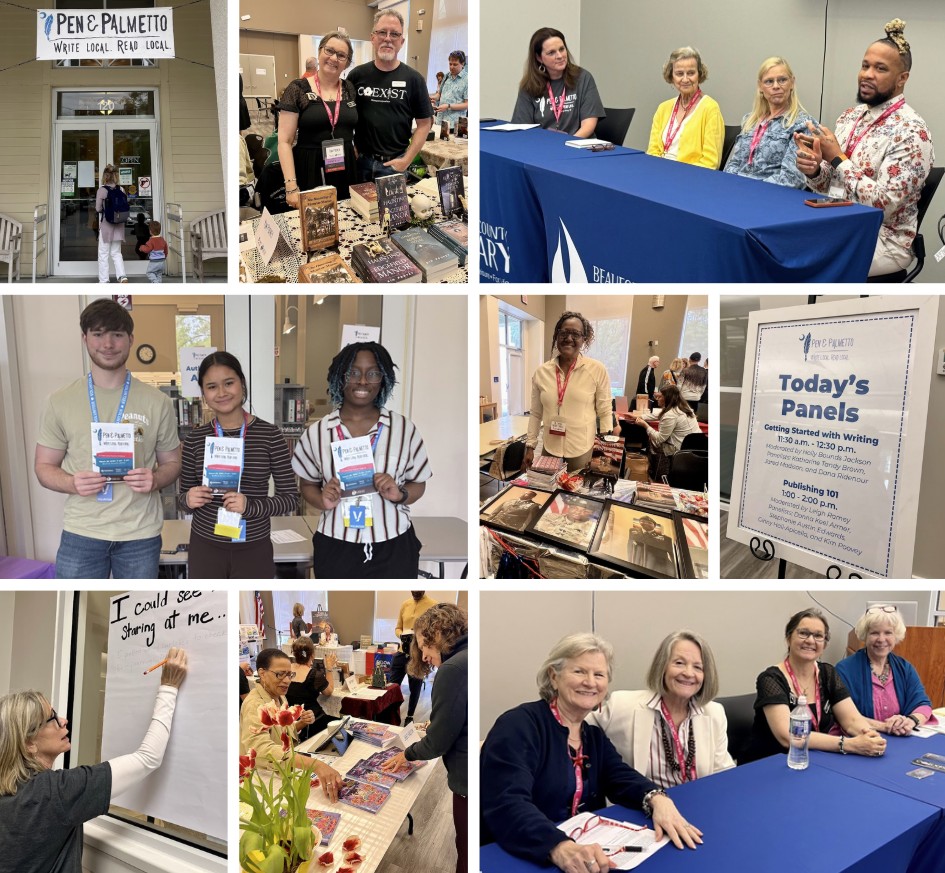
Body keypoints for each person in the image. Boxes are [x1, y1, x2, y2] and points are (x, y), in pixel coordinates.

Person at [481, 633, 702, 870]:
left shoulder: (592, 735)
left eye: (599, 675)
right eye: (579, 671)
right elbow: (507, 802)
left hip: (584, 855)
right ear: (553, 677)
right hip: (519, 855)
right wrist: (558, 846)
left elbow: (620, 776)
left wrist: (657, 798)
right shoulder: (519, 725)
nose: (590, 682)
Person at [0, 648, 188, 871]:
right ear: (28, 743)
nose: (63, 720)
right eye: (51, 718)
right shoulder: (56, 793)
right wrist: (169, 687)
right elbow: (148, 757)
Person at [34, 299, 180, 579]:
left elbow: (172, 462)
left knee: (140, 616)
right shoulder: (59, 401)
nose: (108, 344)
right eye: (98, 334)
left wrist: (156, 479)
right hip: (82, 534)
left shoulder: (158, 402)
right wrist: (71, 482)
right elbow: (43, 466)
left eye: (116, 334)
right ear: (85, 338)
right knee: (77, 607)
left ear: (130, 339)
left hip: (141, 535)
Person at [795, 19, 934, 276]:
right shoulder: (851, 116)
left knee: (804, 262)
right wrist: (815, 170)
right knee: (780, 246)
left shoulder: (912, 132)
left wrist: (838, 159)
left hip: (883, 239)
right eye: (865, 65)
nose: (867, 74)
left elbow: (884, 204)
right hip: (839, 220)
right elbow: (832, 184)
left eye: (880, 69)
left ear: (902, 78)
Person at [291, 341, 432, 578]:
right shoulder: (317, 432)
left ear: (383, 378)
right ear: (339, 376)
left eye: (373, 373)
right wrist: (322, 499)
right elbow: (307, 485)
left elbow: (419, 482)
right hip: (336, 544)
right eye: (353, 372)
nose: (363, 381)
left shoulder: (404, 429)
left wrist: (400, 495)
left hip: (394, 544)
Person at [178, 351, 299, 578]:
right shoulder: (195, 439)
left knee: (250, 611)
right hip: (205, 547)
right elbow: (182, 499)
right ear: (203, 393)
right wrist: (188, 499)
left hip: (253, 547)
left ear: (242, 384)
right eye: (212, 386)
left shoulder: (270, 435)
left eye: (229, 383)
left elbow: (290, 498)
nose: (222, 393)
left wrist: (250, 507)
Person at [382, 603, 469, 873]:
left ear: (438, 635)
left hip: (466, 777)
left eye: (424, 646)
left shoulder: (452, 669)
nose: (423, 654)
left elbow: (439, 742)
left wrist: (406, 754)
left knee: (465, 848)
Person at [588, 631, 734, 785]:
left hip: (697, 801)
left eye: (698, 667)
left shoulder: (714, 713)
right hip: (644, 804)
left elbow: (723, 773)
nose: (688, 673)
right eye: (679, 663)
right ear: (662, 666)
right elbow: (574, 728)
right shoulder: (622, 705)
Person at [742, 609, 887, 763]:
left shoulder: (827, 673)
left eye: (818, 636)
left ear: (824, 644)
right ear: (788, 638)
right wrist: (848, 744)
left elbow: (851, 720)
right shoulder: (770, 678)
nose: (810, 640)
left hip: (814, 759)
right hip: (771, 763)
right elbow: (788, 736)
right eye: (803, 633)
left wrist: (869, 736)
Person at [240, 648, 342, 799]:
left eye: (289, 674)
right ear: (262, 673)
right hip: (264, 778)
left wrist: (301, 723)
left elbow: (281, 732)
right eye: (280, 674)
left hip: (282, 768)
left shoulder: (279, 697)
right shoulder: (255, 704)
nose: (287, 680)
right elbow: (260, 748)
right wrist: (315, 765)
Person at [347, 10, 434, 182]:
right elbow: (344, 116)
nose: (388, 38)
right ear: (373, 37)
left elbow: (425, 124)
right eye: (382, 32)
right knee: (356, 209)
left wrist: (406, 160)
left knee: (391, 211)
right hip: (360, 163)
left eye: (394, 34)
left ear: (401, 41)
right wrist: (350, 145)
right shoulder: (356, 76)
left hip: (395, 166)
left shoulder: (414, 80)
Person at [524, 312, 612, 473]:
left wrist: (606, 450)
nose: (569, 338)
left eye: (576, 334)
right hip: (550, 446)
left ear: (584, 339)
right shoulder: (541, 372)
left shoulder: (597, 369)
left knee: (576, 493)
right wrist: (530, 446)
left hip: (581, 448)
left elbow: (605, 411)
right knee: (548, 491)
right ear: (557, 336)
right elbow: (536, 413)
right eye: (563, 333)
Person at [279, 32, 359, 205]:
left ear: (347, 62)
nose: (333, 58)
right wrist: (291, 187)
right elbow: (284, 141)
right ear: (320, 51)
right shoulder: (297, 88)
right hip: (310, 167)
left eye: (341, 55)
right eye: (329, 50)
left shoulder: (350, 89)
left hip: (346, 166)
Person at [836, 605, 936, 735]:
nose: (881, 639)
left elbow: (923, 704)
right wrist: (887, 726)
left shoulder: (905, 668)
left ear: (896, 636)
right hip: (861, 740)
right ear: (865, 636)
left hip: (901, 739)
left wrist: (910, 721)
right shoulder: (844, 670)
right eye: (874, 633)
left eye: (888, 632)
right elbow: (843, 715)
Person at [723, 57, 815, 188]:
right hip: (738, 191)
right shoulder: (750, 121)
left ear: (792, 83)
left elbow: (792, 179)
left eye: (782, 80)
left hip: (772, 197)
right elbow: (733, 164)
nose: (776, 86)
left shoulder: (802, 124)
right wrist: (731, 186)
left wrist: (747, 188)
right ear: (760, 87)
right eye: (769, 81)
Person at [511, 27, 604, 138]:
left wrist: (568, 145)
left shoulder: (583, 78)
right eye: (551, 53)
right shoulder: (529, 86)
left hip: (577, 145)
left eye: (561, 49)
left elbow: (588, 125)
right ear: (539, 58)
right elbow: (522, 127)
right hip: (543, 147)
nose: (560, 56)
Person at [647, 47, 724, 168]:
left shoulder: (710, 109)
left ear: (700, 74)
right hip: (659, 171)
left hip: (690, 178)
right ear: (671, 76)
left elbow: (710, 162)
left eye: (691, 73)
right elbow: (652, 152)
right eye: (679, 74)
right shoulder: (663, 108)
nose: (685, 79)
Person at [631, 385, 701, 477]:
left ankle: (655, 473)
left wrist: (645, 425)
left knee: (651, 440)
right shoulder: (683, 407)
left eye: (660, 397)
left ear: (667, 398)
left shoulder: (671, 415)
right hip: (693, 445)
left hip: (678, 447)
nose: (657, 399)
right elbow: (657, 415)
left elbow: (659, 439)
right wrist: (640, 417)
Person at [392, 591, 437, 724]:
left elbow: (434, 631)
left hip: (418, 654)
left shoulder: (433, 605)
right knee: (392, 686)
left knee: (415, 688)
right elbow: (397, 628)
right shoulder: (405, 604)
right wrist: (401, 635)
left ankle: (410, 716)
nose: (415, 592)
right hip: (401, 652)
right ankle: (392, 713)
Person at [285, 637, 336, 742]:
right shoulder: (314, 675)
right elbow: (329, 691)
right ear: (312, 655)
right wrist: (329, 668)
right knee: (335, 720)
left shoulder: (286, 670)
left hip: (290, 718)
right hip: (311, 720)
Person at [95, 163, 128, 283]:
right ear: (116, 176)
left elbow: (98, 209)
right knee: (116, 253)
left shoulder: (102, 190)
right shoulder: (122, 189)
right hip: (119, 225)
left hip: (106, 226)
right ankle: (122, 277)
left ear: (105, 176)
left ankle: (104, 281)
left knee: (103, 254)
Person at [435, 50, 469, 129]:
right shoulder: (447, 75)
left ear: (462, 64)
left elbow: (467, 104)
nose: (451, 67)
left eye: (455, 64)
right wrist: (430, 98)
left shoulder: (468, 80)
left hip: (455, 125)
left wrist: (448, 106)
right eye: (450, 64)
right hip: (440, 121)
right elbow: (439, 95)